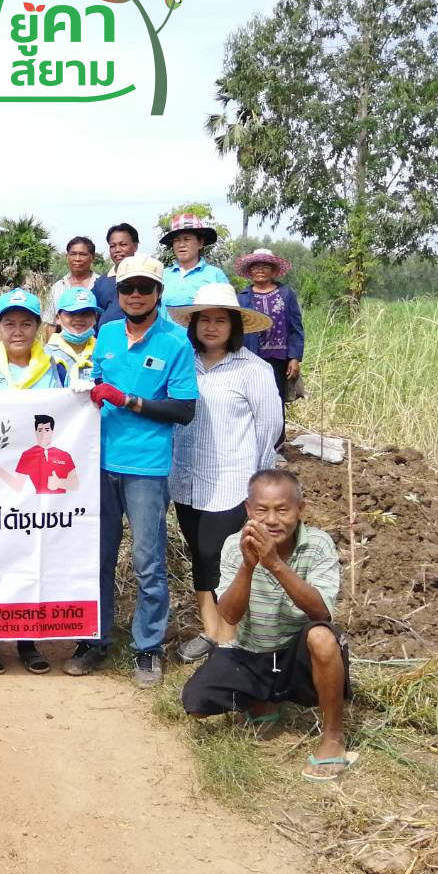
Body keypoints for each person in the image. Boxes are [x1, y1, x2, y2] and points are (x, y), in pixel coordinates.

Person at [65, 255, 197, 687]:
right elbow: (98, 381)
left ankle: (147, 647)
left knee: (147, 562)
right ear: (117, 294)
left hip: (145, 467)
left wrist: (129, 401)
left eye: (144, 287)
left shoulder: (176, 342)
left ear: (159, 292)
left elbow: (183, 409)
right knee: (98, 558)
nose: (135, 295)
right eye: (127, 289)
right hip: (99, 464)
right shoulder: (105, 335)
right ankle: (95, 638)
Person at [182, 470, 354, 782]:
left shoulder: (318, 544)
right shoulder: (236, 545)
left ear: (301, 509)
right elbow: (230, 616)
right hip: (252, 651)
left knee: (321, 636)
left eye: (282, 510)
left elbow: (321, 612)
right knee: (196, 704)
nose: (272, 520)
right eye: (262, 510)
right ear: (248, 510)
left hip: (295, 655)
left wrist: (274, 563)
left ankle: (332, 737)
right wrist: (249, 566)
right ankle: (264, 700)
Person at [166, 283, 283, 663]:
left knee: (222, 555)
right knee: (198, 554)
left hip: (233, 479)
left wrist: (259, 484)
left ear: (234, 326)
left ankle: (231, 635)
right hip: (185, 477)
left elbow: (270, 427)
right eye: (205, 320)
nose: (212, 327)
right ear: (194, 324)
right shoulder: (183, 363)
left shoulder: (254, 370)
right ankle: (210, 629)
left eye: (220, 320)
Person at [0, 288, 70, 675]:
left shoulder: (56, 370)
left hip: (35, 488)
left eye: (27, 323)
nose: (18, 330)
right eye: (9, 323)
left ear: (39, 327)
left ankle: (27, 640)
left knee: (31, 557)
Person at [235, 247, 304, 445]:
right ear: (250, 271)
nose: (260, 270)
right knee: (251, 399)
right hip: (251, 356)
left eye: (265, 266)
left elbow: (296, 327)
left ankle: (277, 444)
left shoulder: (285, 294)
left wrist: (294, 357)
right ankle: (252, 442)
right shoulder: (243, 298)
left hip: (279, 358)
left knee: (276, 399)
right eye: (255, 266)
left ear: (273, 271)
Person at [159, 212, 231, 312]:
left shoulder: (215, 275)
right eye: (176, 240)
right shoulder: (162, 275)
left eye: (186, 239)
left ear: (200, 243)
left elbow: (227, 311)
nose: (181, 245)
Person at [45, 286, 101, 390]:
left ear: (95, 319)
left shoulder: (103, 351)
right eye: (71, 313)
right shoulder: (45, 355)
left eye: (85, 314)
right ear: (58, 318)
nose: (78, 319)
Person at [47, 236, 99, 331]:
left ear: (92, 257)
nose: (77, 259)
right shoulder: (57, 287)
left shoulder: (101, 285)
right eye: (73, 254)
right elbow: (51, 324)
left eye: (83, 254)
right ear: (67, 257)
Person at [94, 222, 138, 327]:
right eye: (112, 246)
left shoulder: (146, 278)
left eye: (123, 244)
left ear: (135, 246)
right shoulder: (101, 282)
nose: (117, 250)